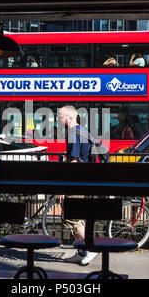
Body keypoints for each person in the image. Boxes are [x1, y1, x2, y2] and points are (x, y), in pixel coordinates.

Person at [56, 105, 98, 266]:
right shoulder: (81, 130)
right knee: (78, 217)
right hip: (84, 180)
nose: (59, 120)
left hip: (78, 181)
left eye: (61, 117)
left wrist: (64, 188)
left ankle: (90, 249)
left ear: (70, 117)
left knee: (72, 218)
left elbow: (73, 163)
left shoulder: (74, 133)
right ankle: (82, 251)